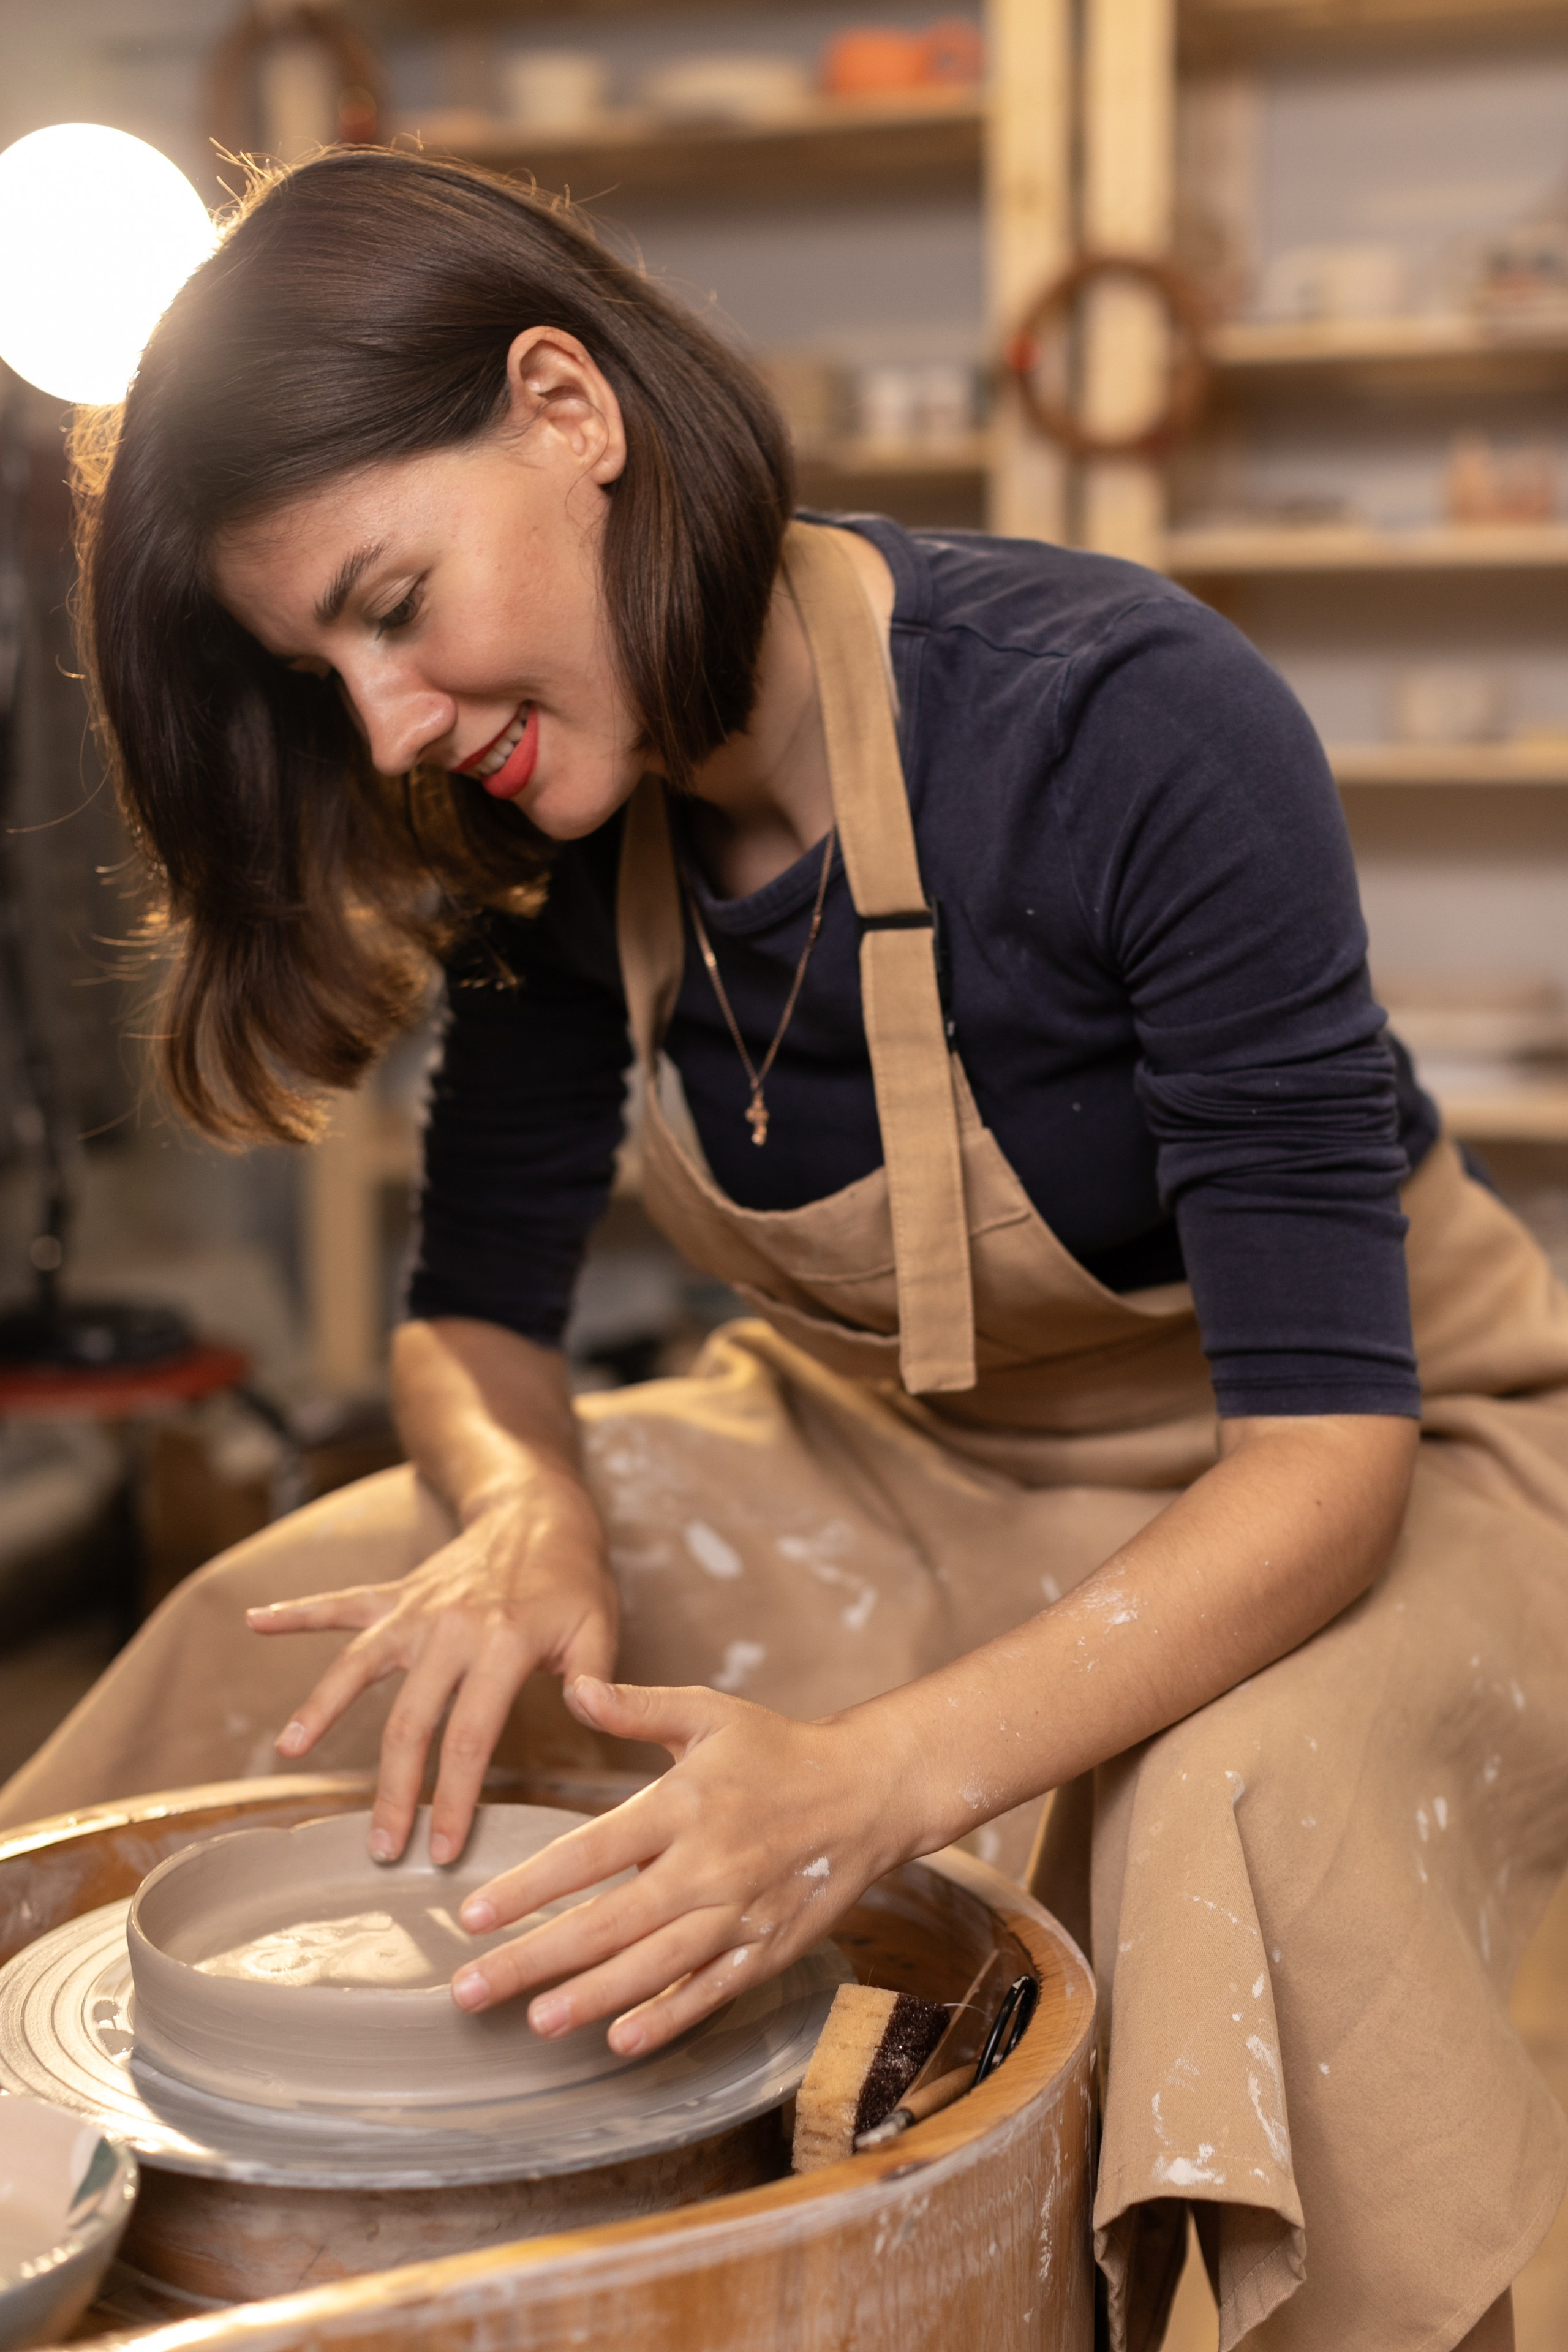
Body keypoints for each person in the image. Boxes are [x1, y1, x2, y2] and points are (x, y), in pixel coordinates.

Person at [6, 149, 1565, 2352]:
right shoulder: (539, 823)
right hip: (888, 1456)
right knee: (319, 1619)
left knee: (1238, 1807)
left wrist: (873, 1787)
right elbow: (473, 1319)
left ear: (567, 407)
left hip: (1377, 1473)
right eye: (318, 668)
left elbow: (1329, 1460)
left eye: (387, 601)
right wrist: (524, 1514)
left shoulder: (1122, 726)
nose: (387, 726)